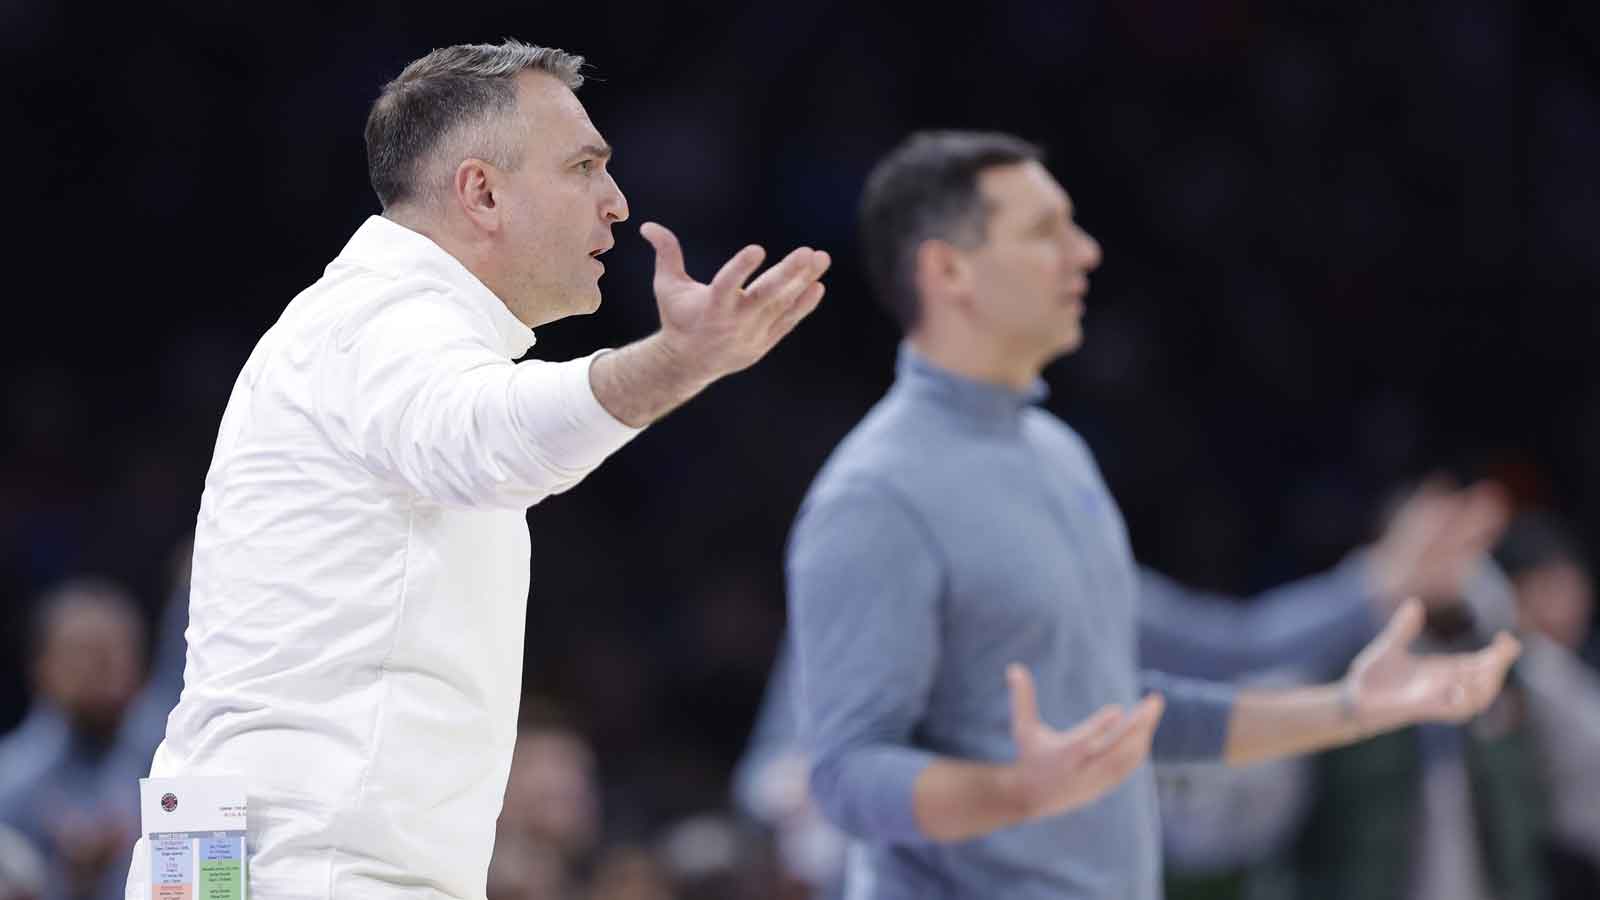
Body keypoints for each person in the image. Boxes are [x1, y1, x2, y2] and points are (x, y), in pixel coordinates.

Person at [123, 39, 831, 900]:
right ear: (481, 192)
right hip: (312, 869)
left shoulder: (355, 323)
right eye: (583, 167)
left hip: (274, 857)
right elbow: (492, 438)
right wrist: (679, 363)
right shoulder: (385, 324)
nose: (616, 204)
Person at [785, 130, 1521, 899]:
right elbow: (844, 776)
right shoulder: (875, 497)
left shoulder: (1056, 453)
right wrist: (1015, 794)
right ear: (947, 270)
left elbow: (1123, 717)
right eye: (1046, 231)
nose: (1086, 252)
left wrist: (1349, 709)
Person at [0, 579, 149, 900]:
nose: (100, 667)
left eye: (115, 650)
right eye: (82, 652)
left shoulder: (170, 763)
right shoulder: (9, 782)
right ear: (42, 665)